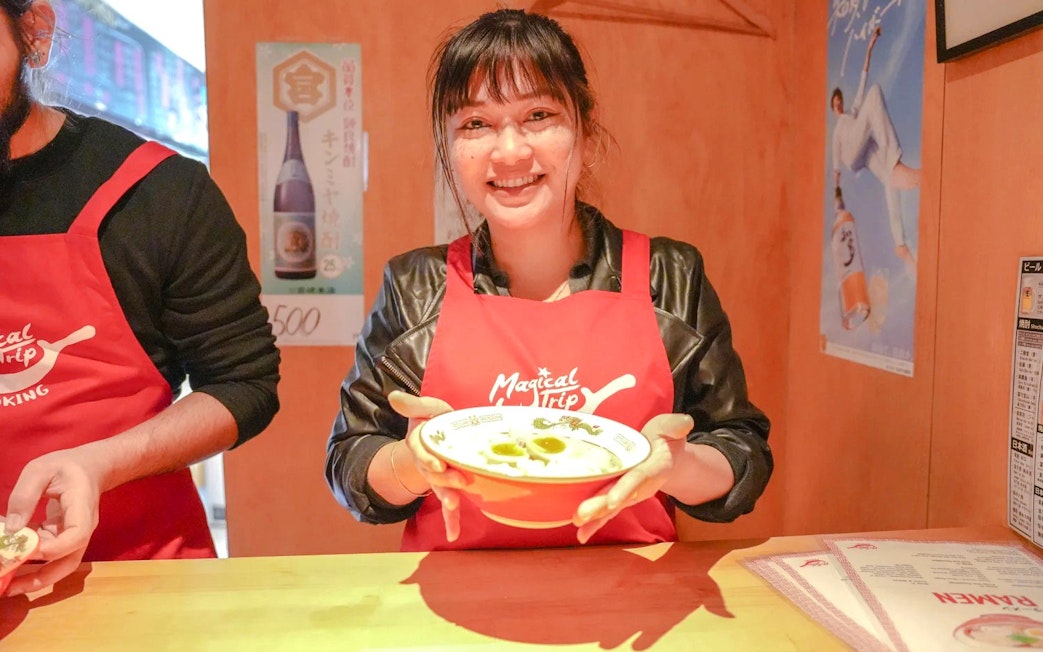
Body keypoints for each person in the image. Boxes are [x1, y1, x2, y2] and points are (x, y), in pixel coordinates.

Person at [325, 8, 772, 551]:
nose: (509, 151)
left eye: (538, 115)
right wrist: (410, 463)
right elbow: (350, 460)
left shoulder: (669, 275)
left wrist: (678, 467)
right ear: (450, 145)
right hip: (457, 596)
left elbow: (742, 450)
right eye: (475, 124)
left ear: (585, 131)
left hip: (630, 592)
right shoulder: (414, 285)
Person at [0, 0, 280, 595]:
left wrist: (100, 464)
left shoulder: (155, 192)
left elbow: (243, 384)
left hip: (138, 575)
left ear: (33, 30)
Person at [831, 25, 921, 270]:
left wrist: (870, 46)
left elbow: (863, 77)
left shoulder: (854, 113)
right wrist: (837, 192)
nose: (838, 104)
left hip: (863, 149)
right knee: (874, 93)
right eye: (835, 103)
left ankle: (900, 244)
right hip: (851, 153)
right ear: (833, 107)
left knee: (889, 179)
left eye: (840, 101)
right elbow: (836, 160)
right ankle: (894, 159)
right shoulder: (839, 129)